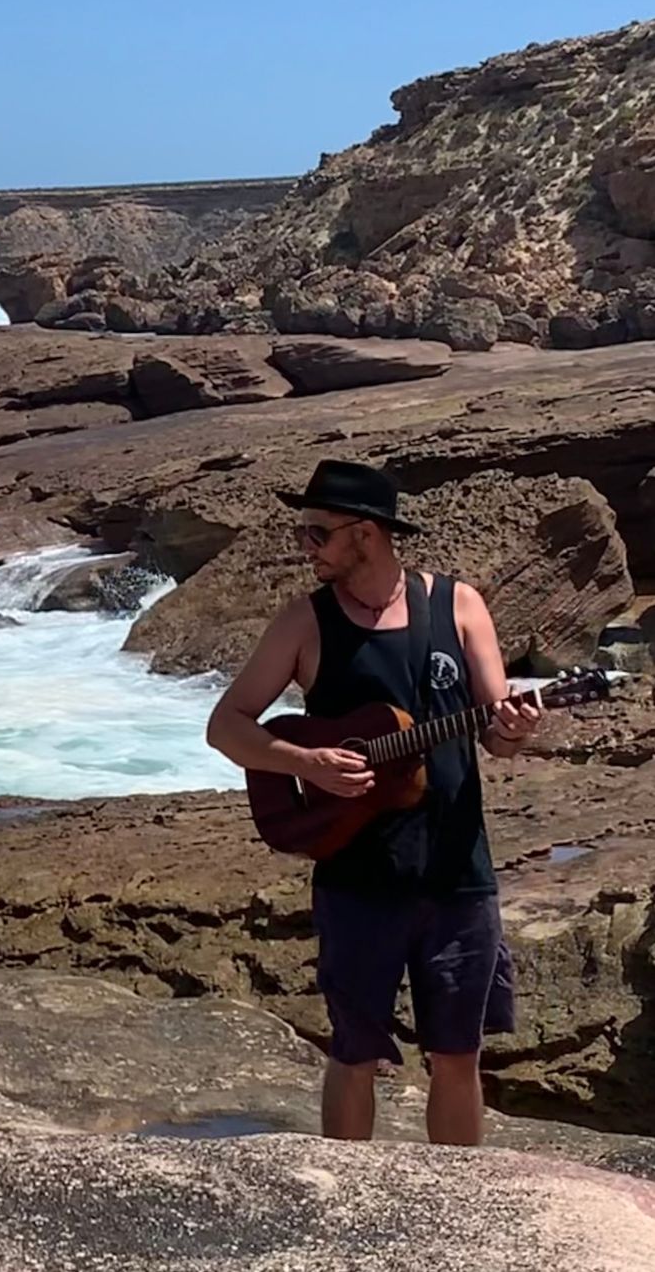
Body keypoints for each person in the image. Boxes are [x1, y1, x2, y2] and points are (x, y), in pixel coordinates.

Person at [205, 459, 541, 1146]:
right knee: (354, 1053)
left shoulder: (458, 605)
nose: (306, 546)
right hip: (357, 878)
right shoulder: (305, 622)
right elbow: (228, 725)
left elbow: (498, 732)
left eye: (317, 533)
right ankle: (345, 1204)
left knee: (458, 1055)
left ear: (365, 534)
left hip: (457, 875)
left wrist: (515, 729)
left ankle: (457, 1207)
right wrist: (304, 763)